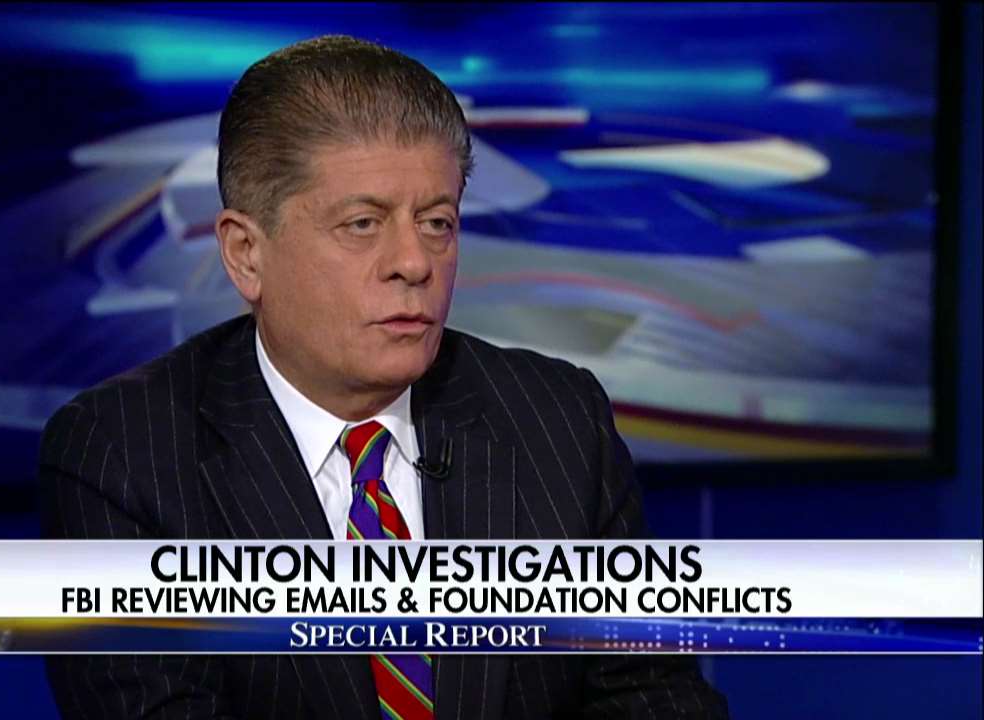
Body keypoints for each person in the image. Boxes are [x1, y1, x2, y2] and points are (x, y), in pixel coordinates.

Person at [40, 35, 729, 720]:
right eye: (363, 223)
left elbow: (655, 698)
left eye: (437, 222)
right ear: (246, 253)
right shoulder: (122, 456)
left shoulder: (557, 421)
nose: (414, 262)